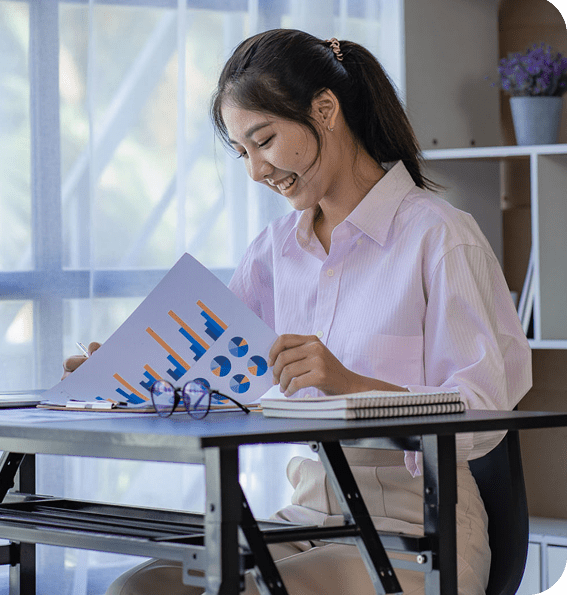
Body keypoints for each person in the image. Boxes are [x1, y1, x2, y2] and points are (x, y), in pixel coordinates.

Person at [65, 29, 532, 595]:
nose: (256, 171)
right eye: (242, 152)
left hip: (417, 531)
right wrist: (123, 376)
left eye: (263, 141)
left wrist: (349, 385)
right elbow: (214, 378)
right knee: (143, 588)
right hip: (307, 518)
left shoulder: (440, 237)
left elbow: (483, 415)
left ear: (325, 110)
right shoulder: (273, 251)